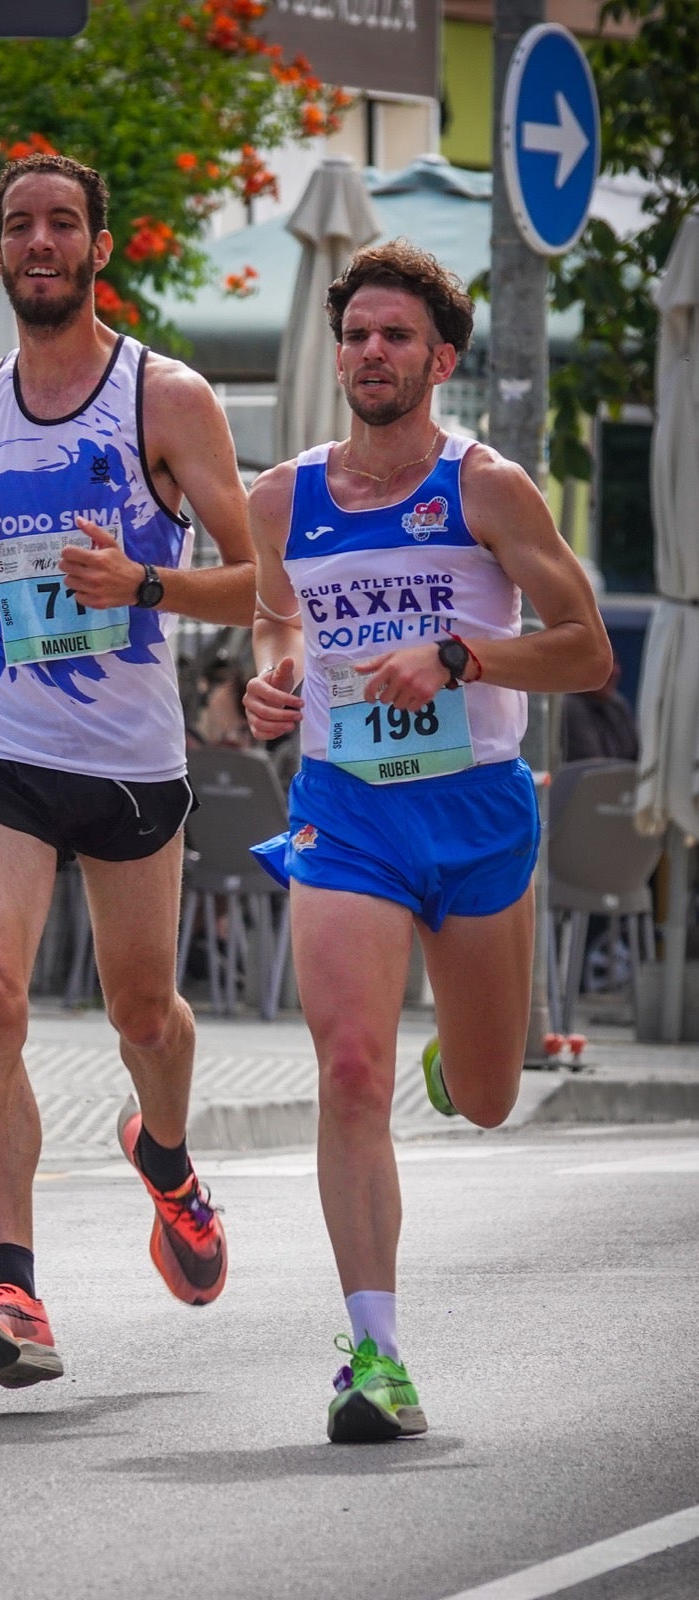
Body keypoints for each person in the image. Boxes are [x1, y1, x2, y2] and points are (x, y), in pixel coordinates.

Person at [0, 154, 255, 1389]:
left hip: (127, 754)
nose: (38, 241)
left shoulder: (165, 400)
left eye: (61, 223)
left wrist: (138, 583)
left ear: (96, 248)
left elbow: (255, 577)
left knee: (145, 1015)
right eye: (18, 223)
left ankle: (168, 1159)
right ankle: (13, 1282)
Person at [243, 241, 611, 1444]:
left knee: (493, 1097)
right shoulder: (280, 495)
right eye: (354, 334)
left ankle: (463, 1058)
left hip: (475, 807)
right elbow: (270, 623)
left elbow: (584, 649)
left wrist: (459, 655)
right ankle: (373, 1352)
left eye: (394, 336)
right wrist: (267, 687)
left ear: (438, 359)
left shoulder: (488, 487)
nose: (367, 352)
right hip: (344, 806)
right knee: (348, 1069)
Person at [561, 652, 639, 762]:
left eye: (614, 662)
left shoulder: (617, 704)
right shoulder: (570, 707)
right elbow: (595, 767)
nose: (614, 671)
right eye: (604, 663)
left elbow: (638, 756)